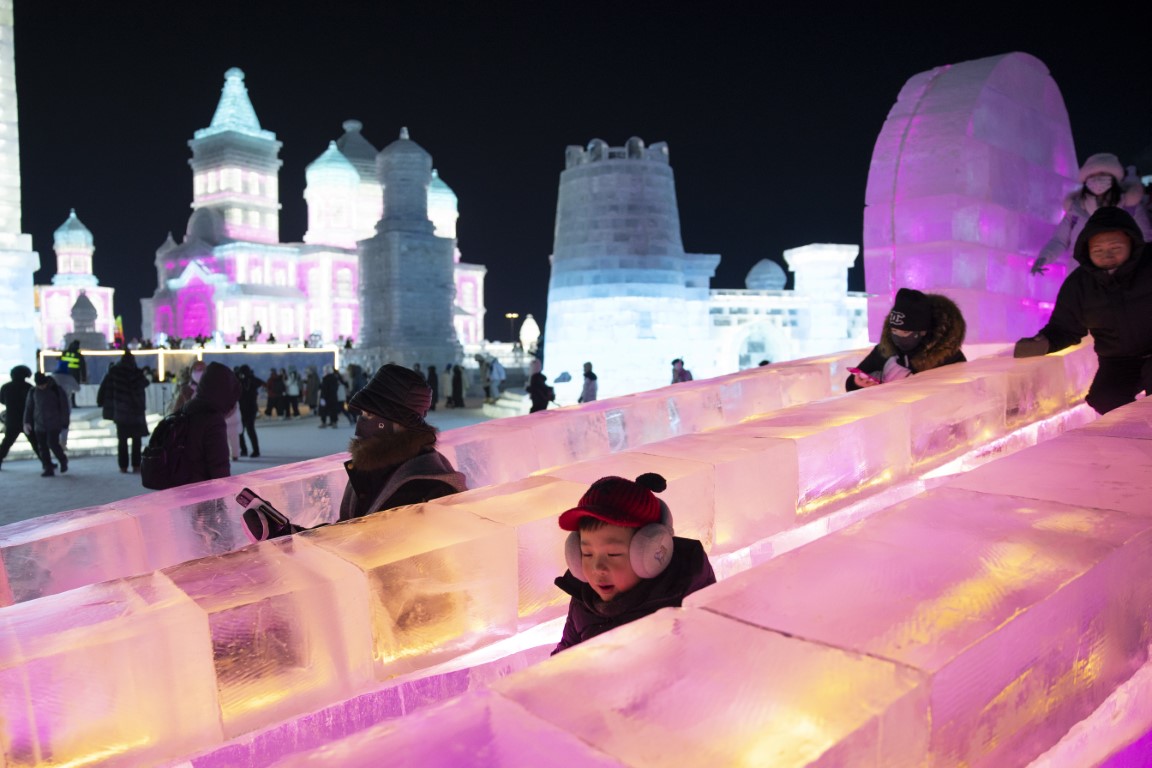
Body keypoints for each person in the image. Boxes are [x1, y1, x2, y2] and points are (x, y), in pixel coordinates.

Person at [244, 364, 467, 540]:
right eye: (361, 413)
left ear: (399, 422)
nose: (361, 424)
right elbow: (346, 534)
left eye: (370, 415)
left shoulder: (428, 486)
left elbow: (367, 551)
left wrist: (294, 540)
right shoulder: (375, 466)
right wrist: (289, 533)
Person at [551, 473, 716, 654]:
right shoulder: (583, 600)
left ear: (651, 552)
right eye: (587, 554)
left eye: (613, 554)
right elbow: (565, 656)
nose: (597, 568)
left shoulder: (684, 601)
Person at [1014, 206, 1152, 414]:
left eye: (1115, 248)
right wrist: (1044, 342)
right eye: (1098, 250)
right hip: (1119, 360)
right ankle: (1136, 436)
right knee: (1104, 398)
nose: (1107, 255)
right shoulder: (1080, 283)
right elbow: (1065, 327)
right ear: (1087, 250)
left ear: (1131, 242)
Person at [1032, 153, 1152, 276]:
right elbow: (1060, 240)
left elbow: (1146, 242)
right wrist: (1044, 257)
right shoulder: (1075, 210)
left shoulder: (1130, 207)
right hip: (1080, 278)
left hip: (1121, 279)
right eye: (1092, 176)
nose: (1097, 180)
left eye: (1103, 175)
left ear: (1114, 179)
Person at [846, 287, 966, 391]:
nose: (898, 337)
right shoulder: (886, 350)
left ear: (923, 332)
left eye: (905, 332)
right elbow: (851, 383)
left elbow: (961, 395)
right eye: (894, 331)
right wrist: (858, 383)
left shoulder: (948, 357)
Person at [178, 361, 240, 485]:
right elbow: (218, 465)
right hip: (202, 487)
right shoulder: (212, 418)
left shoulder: (189, 408)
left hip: (183, 482)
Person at [96, 351, 150, 473]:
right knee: (137, 440)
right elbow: (145, 383)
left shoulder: (114, 372)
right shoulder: (136, 373)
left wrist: (104, 404)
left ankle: (123, 466)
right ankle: (136, 465)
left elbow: (104, 389)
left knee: (122, 440)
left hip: (121, 411)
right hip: (136, 411)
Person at [24, 373, 70, 477]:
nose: (41, 387)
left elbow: (64, 407)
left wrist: (65, 422)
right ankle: (48, 467)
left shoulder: (56, 390)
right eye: (39, 385)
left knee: (52, 443)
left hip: (54, 423)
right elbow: (29, 408)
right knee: (42, 447)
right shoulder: (33, 391)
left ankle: (63, 460)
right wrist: (26, 422)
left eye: (43, 385)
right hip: (39, 424)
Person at [0, 365, 39, 469]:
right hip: (26, 420)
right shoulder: (28, 387)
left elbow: (2, 400)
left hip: (12, 420)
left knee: (6, 443)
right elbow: (34, 403)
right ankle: (46, 463)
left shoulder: (6, 387)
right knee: (35, 443)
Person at [236, 365, 264, 457]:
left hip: (248, 409)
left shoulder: (248, 381)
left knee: (247, 430)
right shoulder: (243, 381)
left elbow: (261, 383)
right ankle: (248, 450)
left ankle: (249, 450)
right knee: (244, 431)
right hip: (246, 409)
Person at [53, 340, 87, 405]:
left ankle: (65, 402)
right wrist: (84, 377)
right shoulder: (78, 355)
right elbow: (83, 366)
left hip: (64, 374)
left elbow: (58, 360)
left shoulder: (65, 353)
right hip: (75, 374)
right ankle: (73, 402)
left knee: (64, 390)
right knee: (73, 390)